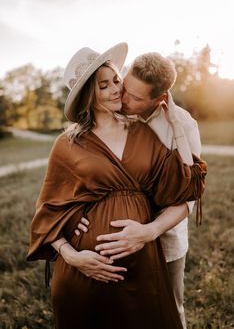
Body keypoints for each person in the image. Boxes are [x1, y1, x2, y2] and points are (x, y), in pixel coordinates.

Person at [27, 42, 207, 329]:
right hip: (83, 267)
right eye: (105, 86)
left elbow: (184, 190)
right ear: (89, 94)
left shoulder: (146, 131)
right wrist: (72, 255)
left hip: (147, 255)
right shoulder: (67, 143)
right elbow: (47, 209)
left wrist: (148, 231)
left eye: (116, 81)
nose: (117, 91)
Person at [77, 52, 202, 328]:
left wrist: (150, 231)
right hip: (115, 241)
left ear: (159, 99)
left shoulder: (183, 125)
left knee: (169, 309)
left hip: (164, 239)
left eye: (134, 98)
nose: (122, 99)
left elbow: (188, 196)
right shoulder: (113, 111)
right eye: (124, 87)